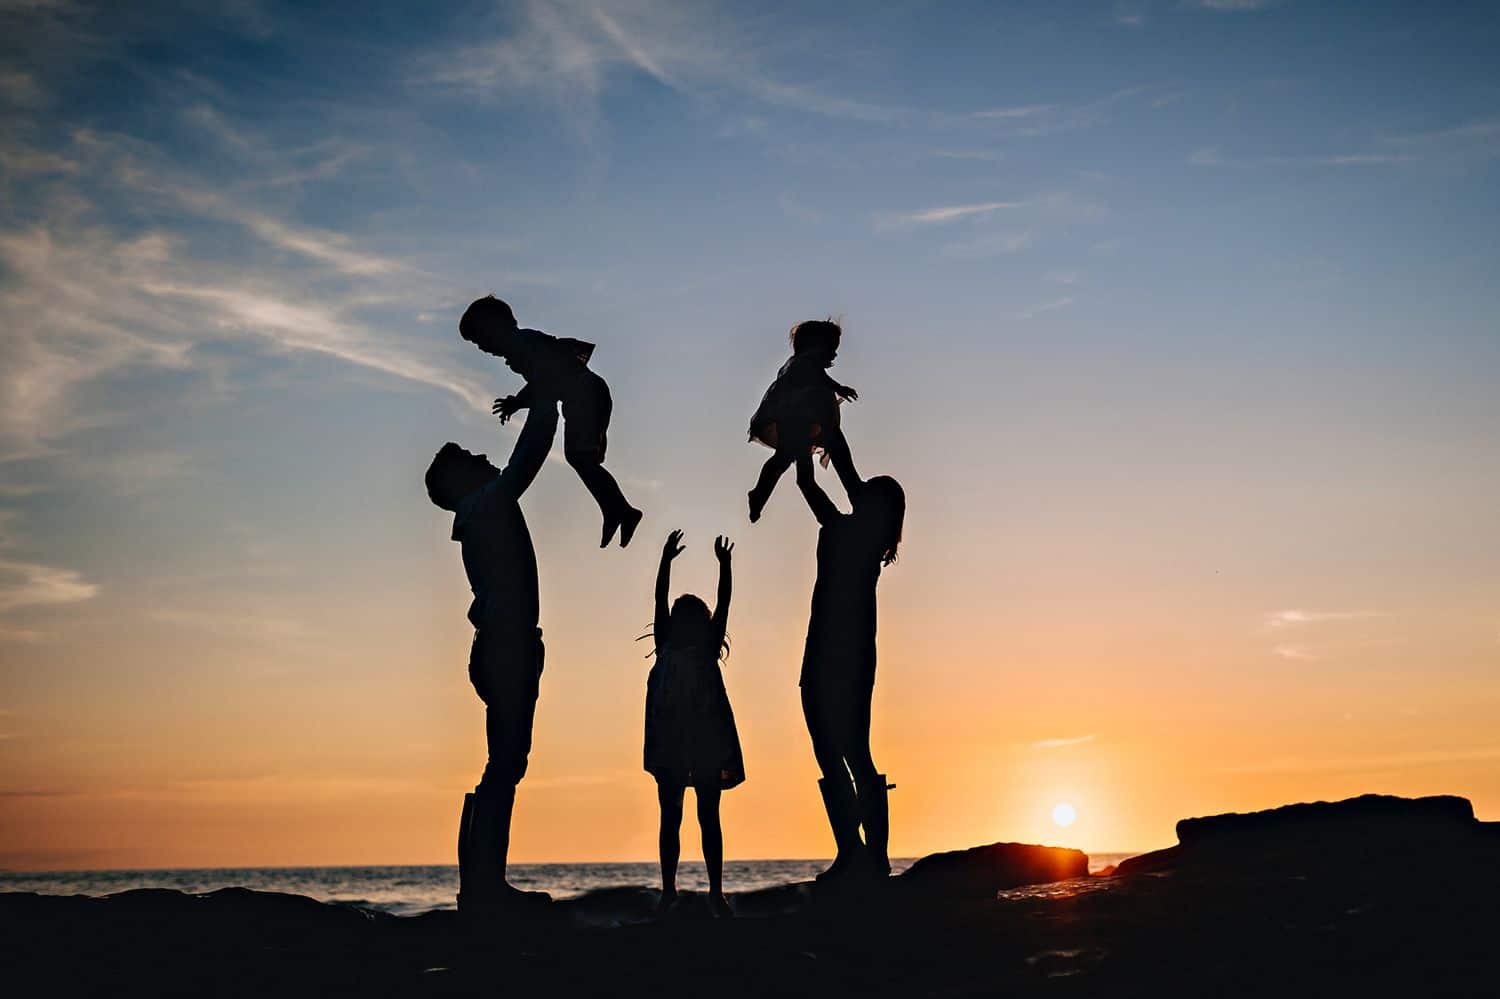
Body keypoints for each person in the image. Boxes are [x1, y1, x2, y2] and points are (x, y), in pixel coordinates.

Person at [425, 399, 559, 914]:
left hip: (506, 644)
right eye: (471, 456)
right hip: (507, 646)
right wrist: (547, 396)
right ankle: (484, 887)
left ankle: (482, 884)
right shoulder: (487, 502)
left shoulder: (483, 506)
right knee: (505, 764)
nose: (484, 455)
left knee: (504, 763)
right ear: (462, 480)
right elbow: (530, 455)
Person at [795, 453, 905, 884]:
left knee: (849, 752)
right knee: (835, 751)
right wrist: (804, 445)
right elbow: (814, 486)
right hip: (828, 650)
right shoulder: (848, 532)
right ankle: (856, 853)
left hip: (844, 655)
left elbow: (830, 481)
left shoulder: (858, 538)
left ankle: (867, 855)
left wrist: (820, 438)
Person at [460, 295, 644, 548]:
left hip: (586, 394)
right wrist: (519, 401)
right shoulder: (521, 348)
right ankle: (617, 509)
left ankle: (619, 509)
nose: (482, 348)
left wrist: (518, 401)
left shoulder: (523, 344)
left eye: (481, 340)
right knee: (580, 459)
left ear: (496, 327)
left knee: (581, 459)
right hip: (581, 398)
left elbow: (544, 379)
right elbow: (542, 383)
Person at [643, 529, 745, 917]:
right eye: (678, 615)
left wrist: (726, 566)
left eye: (689, 615)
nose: (681, 619)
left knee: (707, 816)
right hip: (670, 740)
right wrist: (666, 560)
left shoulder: (706, 649)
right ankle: (670, 890)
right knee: (671, 817)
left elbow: (724, 602)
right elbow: (658, 599)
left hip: (705, 740)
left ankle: (715, 892)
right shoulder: (666, 645)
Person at [745, 319, 860, 523]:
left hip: (801, 421)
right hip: (796, 420)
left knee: (784, 460)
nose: (834, 354)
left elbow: (817, 377)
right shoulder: (807, 361)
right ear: (816, 344)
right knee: (789, 465)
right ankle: (759, 495)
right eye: (831, 348)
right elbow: (818, 377)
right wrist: (839, 388)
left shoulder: (803, 363)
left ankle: (759, 495)